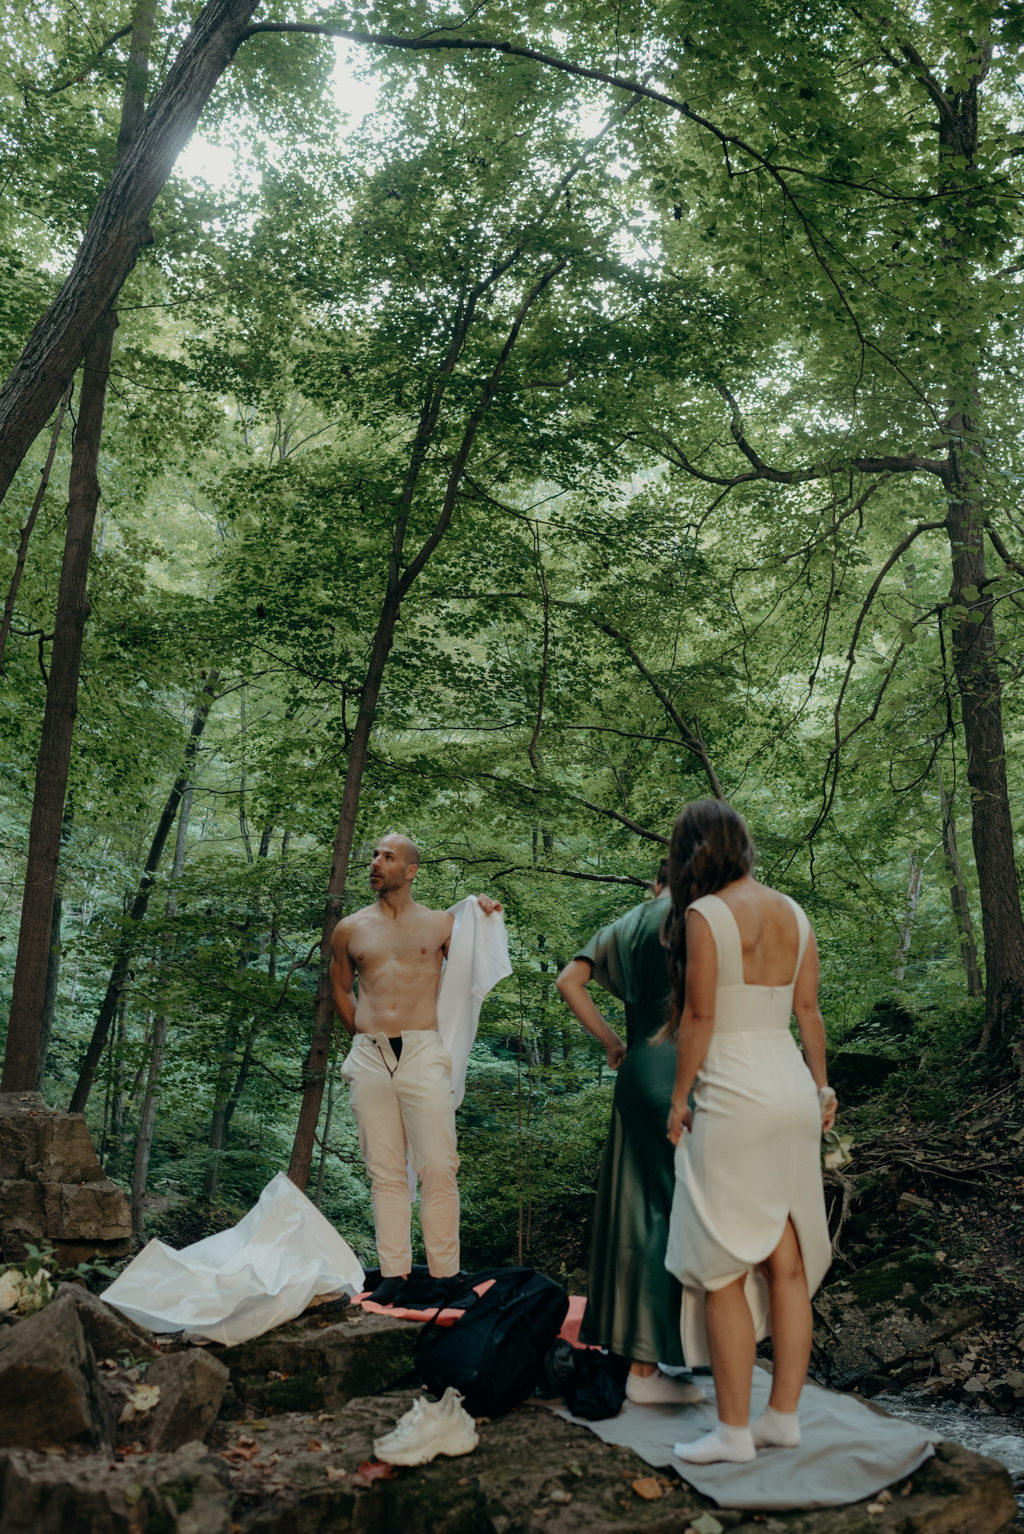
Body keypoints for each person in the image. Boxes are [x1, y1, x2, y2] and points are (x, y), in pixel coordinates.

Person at [662, 800, 837, 1464]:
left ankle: (734, 1432)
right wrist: (821, 1086)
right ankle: (783, 1417)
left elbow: (700, 1019)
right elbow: (809, 1012)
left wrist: (680, 1098)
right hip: (791, 1088)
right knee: (786, 1263)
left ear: (694, 852)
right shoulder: (794, 913)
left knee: (722, 1263)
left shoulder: (706, 915)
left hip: (735, 1092)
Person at [556, 861, 704, 1407]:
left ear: (654, 883)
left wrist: (613, 1042)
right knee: (688, 1207)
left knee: (642, 1208)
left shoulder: (630, 921)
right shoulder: (699, 918)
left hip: (641, 1066)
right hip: (688, 1069)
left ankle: (646, 1359)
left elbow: (568, 981)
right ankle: (660, 1361)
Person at [331, 834, 502, 1305]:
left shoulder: (441, 924)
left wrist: (483, 910)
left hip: (423, 1051)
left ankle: (446, 1277)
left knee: (439, 1167)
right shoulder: (349, 928)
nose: (375, 863)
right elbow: (341, 989)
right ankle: (395, 1274)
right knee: (384, 1170)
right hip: (370, 1055)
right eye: (373, 855)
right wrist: (361, 1036)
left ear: (411, 871)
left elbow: (475, 955)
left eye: (388, 857)